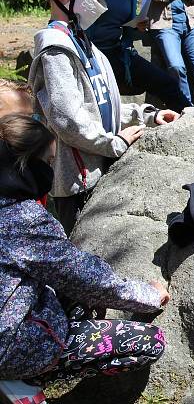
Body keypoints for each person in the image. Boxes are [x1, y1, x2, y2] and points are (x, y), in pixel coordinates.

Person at [0, 113, 169, 403]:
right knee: (149, 342)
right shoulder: (24, 219)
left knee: (77, 296)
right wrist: (149, 296)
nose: (51, 172)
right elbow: (89, 279)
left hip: (15, 316)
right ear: (24, 166)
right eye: (49, 163)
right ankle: (23, 377)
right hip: (11, 345)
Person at [22, 0, 179, 235]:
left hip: (99, 171)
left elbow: (100, 103)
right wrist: (114, 143)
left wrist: (146, 115)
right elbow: (68, 119)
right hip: (77, 184)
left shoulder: (84, 43)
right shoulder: (56, 50)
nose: (100, 0)